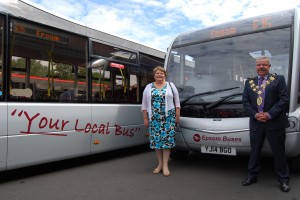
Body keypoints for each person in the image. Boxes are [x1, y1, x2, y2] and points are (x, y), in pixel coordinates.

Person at [242, 56, 290, 192]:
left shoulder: (278, 79)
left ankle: (284, 180)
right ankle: (252, 176)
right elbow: (245, 102)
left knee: (279, 152)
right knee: (255, 151)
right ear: (256, 67)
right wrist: (256, 114)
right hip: (256, 122)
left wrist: (269, 114)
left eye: (264, 64)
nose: (261, 67)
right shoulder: (249, 82)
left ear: (269, 66)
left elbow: (283, 99)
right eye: (258, 65)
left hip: (274, 122)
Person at [141, 66, 180, 177]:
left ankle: (165, 165)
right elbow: (144, 104)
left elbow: (177, 102)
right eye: (157, 73)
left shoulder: (171, 86)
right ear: (154, 75)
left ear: (164, 75)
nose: (159, 75)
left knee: (167, 142)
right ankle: (160, 164)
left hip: (168, 118)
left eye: (161, 73)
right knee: (157, 142)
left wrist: (177, 115)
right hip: (154, 118)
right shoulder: (149, 87)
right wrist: (145, 118)